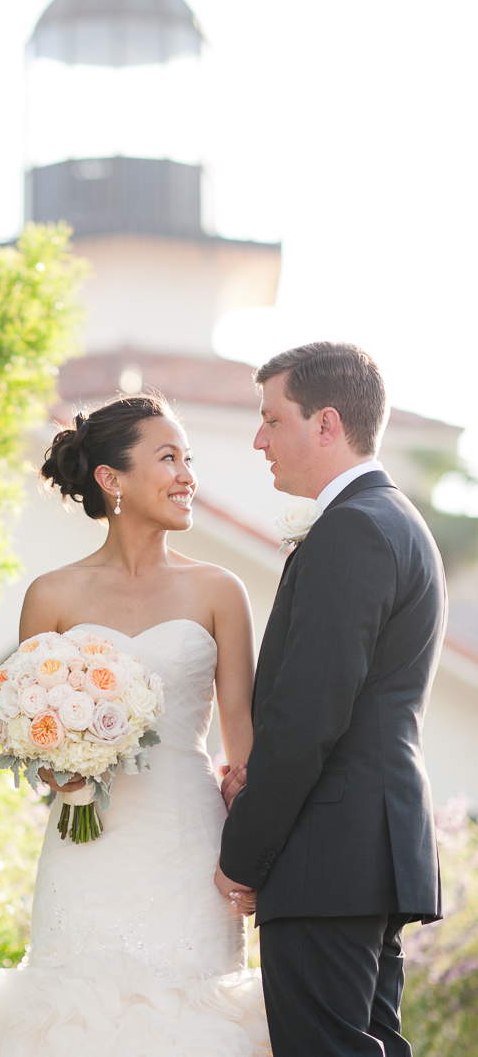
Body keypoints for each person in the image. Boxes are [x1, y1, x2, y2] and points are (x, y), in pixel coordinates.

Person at [0, 393, 271, 1056]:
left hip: (189, 846)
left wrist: (250, 853)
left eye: (189, 459)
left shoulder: (220, 590)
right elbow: (31, 737)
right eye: (168, 458)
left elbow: (241, 741)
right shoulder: (52, 595)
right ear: (112, 480)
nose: (188, 475)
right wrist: (63, 762)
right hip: (86, 847)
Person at [215, 342, 445, 1057]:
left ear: (324, 424)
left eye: (271, 419)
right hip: (362, 850)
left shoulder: (352, 530)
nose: (258, 439)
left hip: (328, 856)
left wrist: (243, 854)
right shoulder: (389, 519)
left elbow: (307, 716)